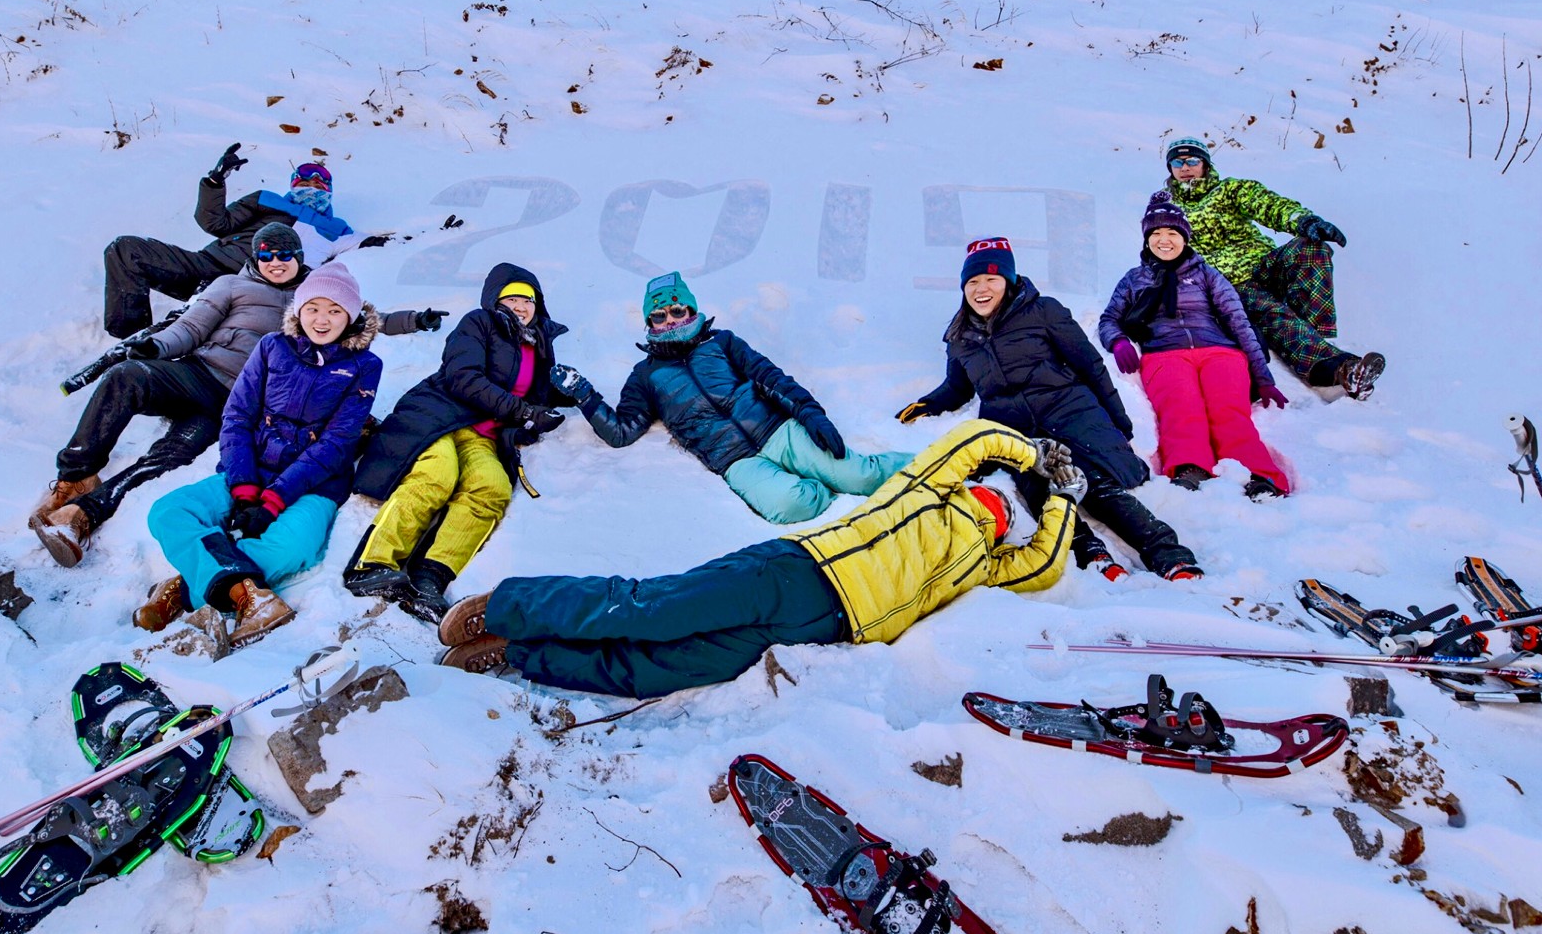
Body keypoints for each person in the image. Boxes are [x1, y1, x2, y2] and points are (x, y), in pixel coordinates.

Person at [433, 420, 1082, 697]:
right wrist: (1031, 456)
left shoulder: (985, 563)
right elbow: (971, 440)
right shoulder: (929, 487)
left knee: (663, 668)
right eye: (996, 501)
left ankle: (518, 654)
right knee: (652, 609)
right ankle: (505, 606)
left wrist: (1064, 497)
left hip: (831, 631)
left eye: (1005, 515)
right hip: (798, 570)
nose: (998, 512)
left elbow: (1045, 563)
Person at [32, 225, 440, 565]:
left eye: (285, 255)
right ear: (255, 258)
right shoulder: (232, 286)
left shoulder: (322, 296)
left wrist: (416, 319)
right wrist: (155, 349)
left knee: (171, 456)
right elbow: (191, 328)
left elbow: (368, 319)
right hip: (198, 375)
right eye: (266, 255)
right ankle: (74, 476)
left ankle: (85, 514)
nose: (275, 262)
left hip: (232, 402)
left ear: (299, 257)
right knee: (128, 376)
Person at [897, 237, 1200, 582]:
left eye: (991, 280)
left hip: (1068, 411)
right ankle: (1091, 553)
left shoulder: (1044, 311)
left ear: (1008, 282)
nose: (981, 289)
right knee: (1035, 483)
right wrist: (926, 405)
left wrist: (1118, 420)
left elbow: (1090, 366)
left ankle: (1168, 554)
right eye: (972, 282)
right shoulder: (960, 336)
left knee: (1094, 483)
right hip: (1015, 429)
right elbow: (957, 388)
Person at [137, 262, 384, 648]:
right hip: (250, 469)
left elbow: (336, 443)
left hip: (315, 485)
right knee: (169, 511)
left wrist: (273, 502)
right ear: (299, 310)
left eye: (335, 311)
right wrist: (246, 489)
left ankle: (186, 589)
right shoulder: (271, 347)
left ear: (350, 317)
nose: (322, 319)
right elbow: (236, 417)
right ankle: (246, 594)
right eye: (314, 308)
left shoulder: (365, 366)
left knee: (293, 548)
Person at [550, 271, 912, 524]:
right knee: (790, 505)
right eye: (660, 315)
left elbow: (770, 378)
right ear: (650, 323)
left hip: (778, 431)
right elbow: (622, 431)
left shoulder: (722, 342)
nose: (671, 320)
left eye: (677, 310)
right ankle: (825, 488)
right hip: (735, 460)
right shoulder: (645, 376)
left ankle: (936, 461)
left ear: (691, 310)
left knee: (861, 476)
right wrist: (585, 396)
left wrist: (810, 414)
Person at [344, 263, 573, 618]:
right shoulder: (478, 324)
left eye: (527, 299)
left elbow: (532, 392)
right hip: (437, 416)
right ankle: (370, 565)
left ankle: (429, 577)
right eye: (510, 297)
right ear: (494, 301)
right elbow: (463, 377)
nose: (520, 305)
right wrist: (523, 412)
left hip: (481, 434)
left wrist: (564, 394)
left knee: (492, 487)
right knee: (438, 475)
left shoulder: (539, 344)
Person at [1158, 136, 1385, 398]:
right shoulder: (1168, 210)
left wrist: (1303, 220)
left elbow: (1267, 204)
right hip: (1232, 284)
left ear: (1205, 164)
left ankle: (1317, 334)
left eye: (1192, 160)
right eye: (1177, 161)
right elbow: (1162, 249)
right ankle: (1339, 369)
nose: (1185, 167)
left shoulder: (1230, 190)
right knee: (1268, 311)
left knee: (1311, 248)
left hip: (1265, 266)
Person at [1100, 197, 1292, 500]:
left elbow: (1238, 321)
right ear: (1147, 239)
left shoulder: (1206, 273)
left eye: (1172, 234)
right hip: (1164, 354)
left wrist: (1263, 377)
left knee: (1228, 411)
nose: (1164, 241)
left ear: (1185, 238)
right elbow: (1109, 319)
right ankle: (1190, 467)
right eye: (1155, 234)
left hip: (1220, 352)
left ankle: (1259, 474)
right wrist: (1118, 341)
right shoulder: (1134, 278)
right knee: (1180, 408)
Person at [102, 147, 392, 338]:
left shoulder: (336, 229)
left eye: (318, 185)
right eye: (304, 183)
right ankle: (130, 336)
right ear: (293, 185)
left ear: (328, 192)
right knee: (126, 250)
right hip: (209, 265)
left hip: (254, 288)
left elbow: (373, 246)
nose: (311, 189)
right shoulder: (265, 200)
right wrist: (215, 183)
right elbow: (215, 223)